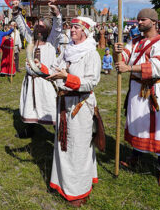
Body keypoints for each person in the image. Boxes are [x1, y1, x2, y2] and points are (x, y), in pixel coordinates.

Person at [114, 8, 160, 187]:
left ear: (154, 22)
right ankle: (136, 156)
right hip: (136, 89)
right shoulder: (135, 41)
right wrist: (117, 49)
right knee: (136, 123)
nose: (139, 23)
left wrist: (129, 69)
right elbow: (124, 57)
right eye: (138, 20)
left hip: (154, 90)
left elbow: (158, 65)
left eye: (143, 20)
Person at [44, 16, 101, 207]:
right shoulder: (68, 51)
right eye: (72, 27)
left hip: (80, 105)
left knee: (78, 147)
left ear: (85, 31)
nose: (72, 30)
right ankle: (62, 183)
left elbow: (91, 82)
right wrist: (40, 68)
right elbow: (55, 69)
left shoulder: (91, 54)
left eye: (76, 27)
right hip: (64, 102)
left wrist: (67, 77)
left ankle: (79, 191)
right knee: (63, 144)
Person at [12, 0, 62, 137]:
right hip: (31, 80)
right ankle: (29, 130)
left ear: (46, 29)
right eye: (37, 26)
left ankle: (58, 133)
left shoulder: (52, 41)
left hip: (46, 80)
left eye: (41, 26)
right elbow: (22, 26)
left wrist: (55, 12)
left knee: (50, 105)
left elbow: (58, 27)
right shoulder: (31, 39)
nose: (38, 29)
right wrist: (16, 10)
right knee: (30, 104)